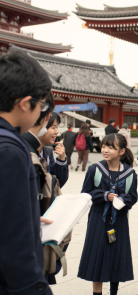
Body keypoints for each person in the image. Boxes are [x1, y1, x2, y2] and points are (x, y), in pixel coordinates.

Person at [0, 50, 53, 294]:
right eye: (40, 104)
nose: (40, 112)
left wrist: (25, 214)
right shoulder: (11, 150)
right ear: (24, 103)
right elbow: (16, 247)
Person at [78, 133, 138, 295]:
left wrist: (123, 200)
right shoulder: (94, 169)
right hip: (98, 219)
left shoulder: (130, 174)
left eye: (111, 147)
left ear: (121, 151)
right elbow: (85, 194)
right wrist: (104, 196)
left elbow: (133, 197)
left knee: (116, 257)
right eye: (104, 146)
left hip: (119, 220)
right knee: (97, 257)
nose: (105, 150)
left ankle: (114, 292)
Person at [38, 111, 68, 188]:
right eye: (53, 127)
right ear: (41, 127)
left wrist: (61, 160)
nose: (57, 132)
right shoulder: (27, 151)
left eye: (57, 127)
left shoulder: (48, 152)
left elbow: (57, 183)